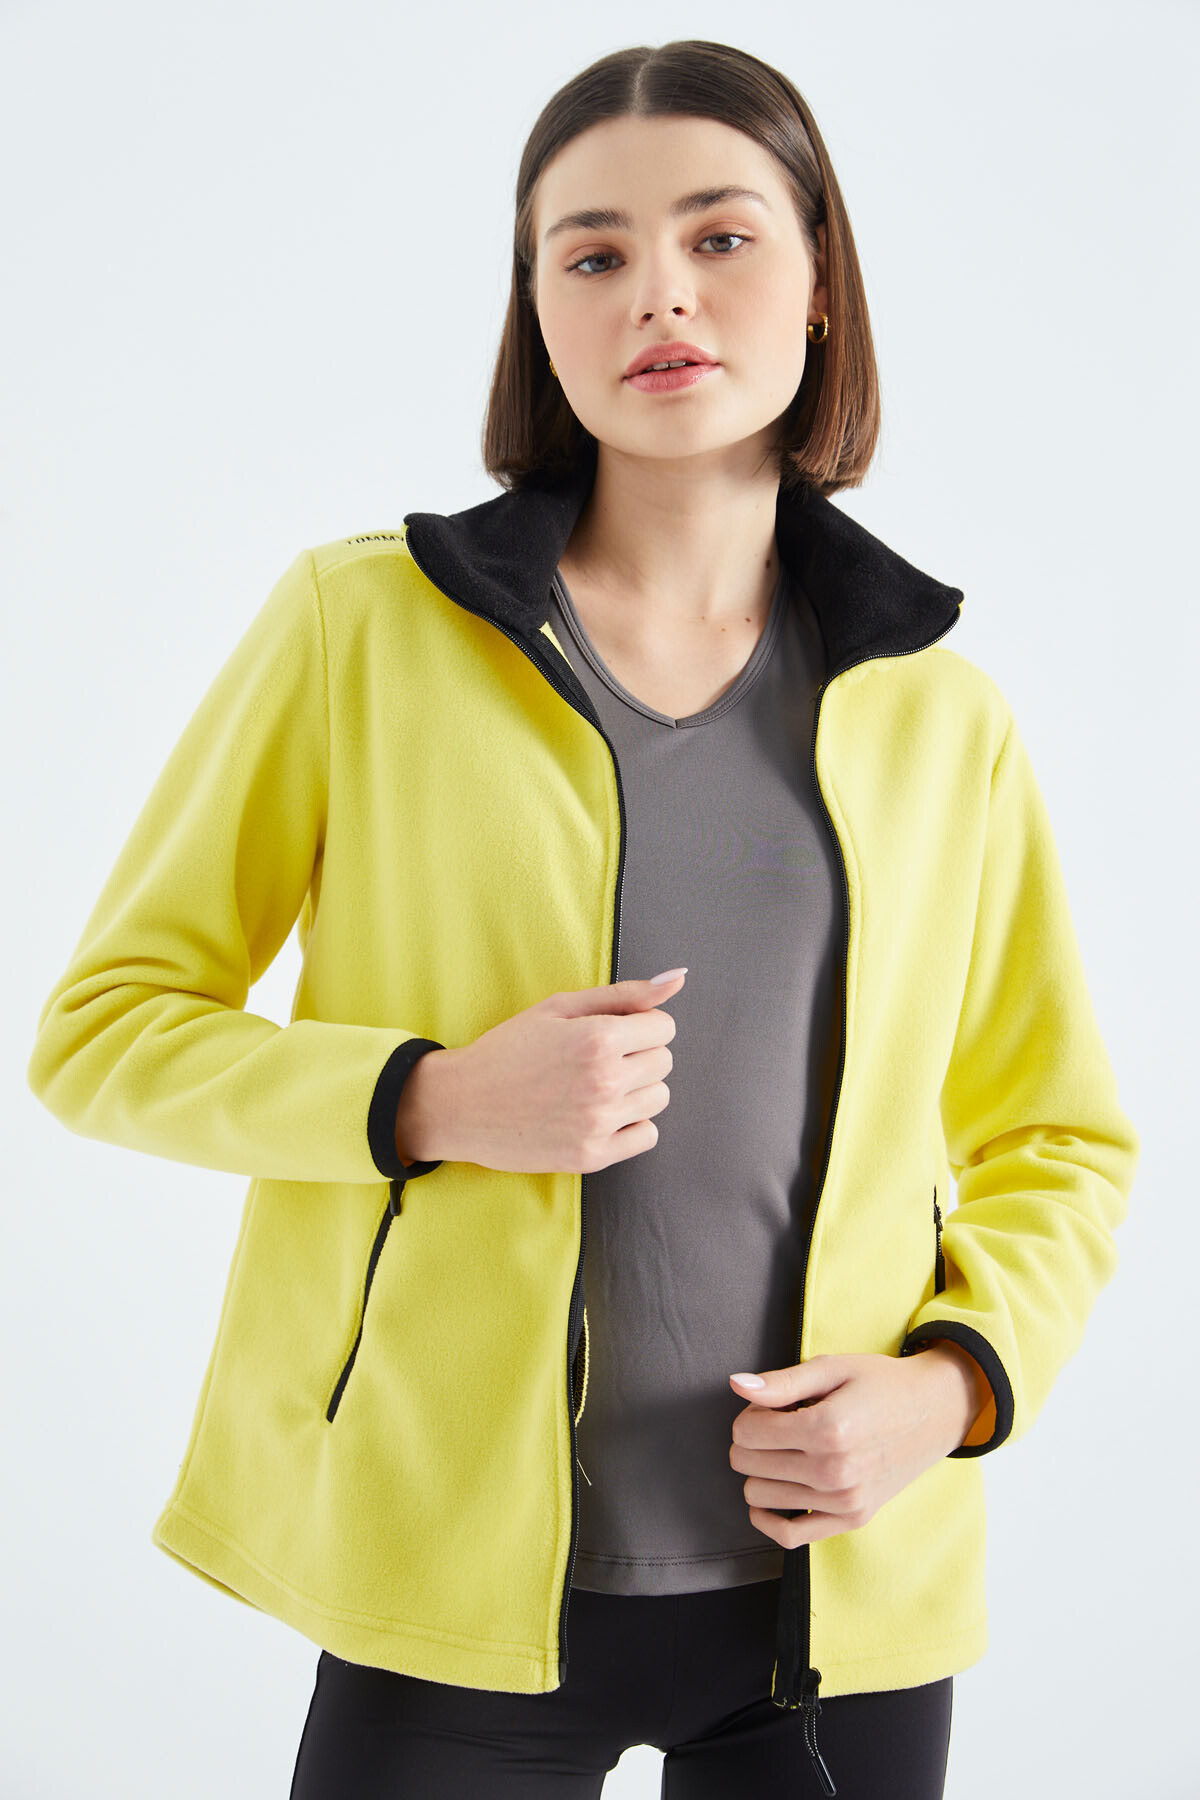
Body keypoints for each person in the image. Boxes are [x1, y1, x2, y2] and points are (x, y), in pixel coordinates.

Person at [26, 38, 1140, 1800]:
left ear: (823, 283)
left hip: (839, 1605)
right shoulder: (361, 632)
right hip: (444, 1588)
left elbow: (1057, 1139)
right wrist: (427, 1097)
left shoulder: (940, 715)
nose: (661, 294)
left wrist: (948, 1390)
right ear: (537, 313)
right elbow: (105, 1033)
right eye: (594, 253)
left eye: (722, 236)